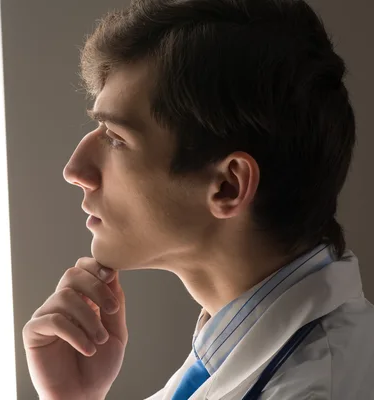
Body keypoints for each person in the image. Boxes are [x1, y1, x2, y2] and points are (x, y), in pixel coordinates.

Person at [22, 0, 374, 399]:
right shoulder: (232, 349)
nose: (75, 170)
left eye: (116, 138)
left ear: (228, 186)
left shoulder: (314, 388)